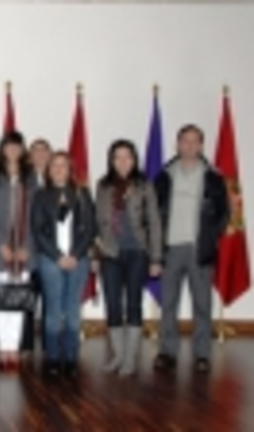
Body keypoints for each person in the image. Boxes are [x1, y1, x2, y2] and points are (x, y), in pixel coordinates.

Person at [153, 124, 229, 374]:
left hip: (200, 250)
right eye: (185, 140)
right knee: (169, 304)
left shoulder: (214, 177)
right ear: (177, 144)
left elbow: (224, 214)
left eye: (195, 141)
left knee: (202, 305)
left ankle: (202, 355)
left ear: (201, 145)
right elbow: (154, 214)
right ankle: (168, 352)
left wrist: (210, 237)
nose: (190, 145)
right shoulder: (164, 176)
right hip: (171, 249)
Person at [94, 139, 163, 376]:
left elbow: (154, 222)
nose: (123, 162)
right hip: (110, 253)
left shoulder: (145, 185)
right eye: (118, 157)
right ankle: (118, 355)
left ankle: (130, 358)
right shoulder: (102, 186)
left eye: (128, 157)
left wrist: (156, 257)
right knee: (113, 304)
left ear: (134, 160)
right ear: (111, 160)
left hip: (138, 253)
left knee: (133, 303)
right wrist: (96, 254)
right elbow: (97, 224)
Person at [31, 151, 96, 378]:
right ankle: (52, 359)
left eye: (63, 166)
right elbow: (38, 230)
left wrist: (75, 255)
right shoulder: (40, 196)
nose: (59, 169)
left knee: (72, 310)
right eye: (54, 166)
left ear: (70, 170)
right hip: (50, 259)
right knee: (53, 310)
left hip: (78, 259)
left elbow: (90, 228)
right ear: (48, 170)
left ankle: (70, 358)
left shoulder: (82, 194)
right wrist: (58, 256)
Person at [0, 131, 36, 369]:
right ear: (2, 149)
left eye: (17, 146)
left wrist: (27, 247)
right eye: (8, 146)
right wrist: (1, 244)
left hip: (24, 251)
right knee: (3, 302)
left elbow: (37, 216)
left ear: (22, 150)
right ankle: (3, 348)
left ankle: (13, 349)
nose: (13, 151)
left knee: (19, 302)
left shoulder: (31, 177)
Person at [26, 138, 52, 353]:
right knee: (27, 300)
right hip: (29, 250)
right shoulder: (23, 181)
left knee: (50, 301)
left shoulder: (59, 179)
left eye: (44, 150)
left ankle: (48, 344)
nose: (40, 154)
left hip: (53, 252)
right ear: (29, 155)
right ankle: (25, 345)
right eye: (35, 151)